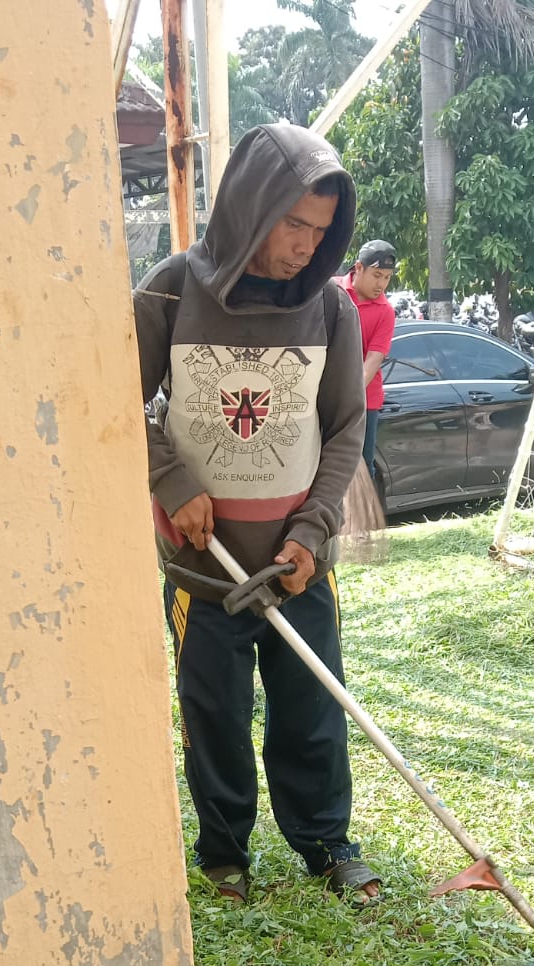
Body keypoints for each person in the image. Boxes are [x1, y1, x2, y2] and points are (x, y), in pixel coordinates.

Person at [133, 124, 380, 905]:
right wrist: (171, 480)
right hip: (205, 568)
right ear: (248, 207)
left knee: (312, 711)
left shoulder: (332, 309)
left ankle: (327, 844)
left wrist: (312, 530)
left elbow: (345, 429)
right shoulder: (171, 290)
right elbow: (116, 403)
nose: (307, 246)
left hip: (296, 566)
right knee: (215, 714)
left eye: (321, 229)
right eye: (292, 223)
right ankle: (224, 854)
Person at [338, 240, 397, 477]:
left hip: (364, 402)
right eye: (377, 275)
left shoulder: (385, 312)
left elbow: (371, 363)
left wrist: (344, 399)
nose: (381, 284)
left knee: (362, 469)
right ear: (358, 268)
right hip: (321, 398)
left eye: (387, 277)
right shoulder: (332, 292)